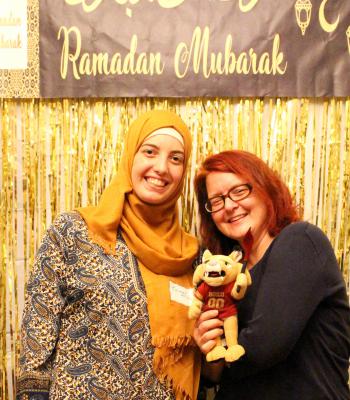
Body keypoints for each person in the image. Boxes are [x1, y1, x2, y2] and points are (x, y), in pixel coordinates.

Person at [16, 110, 201, 400]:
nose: (162, 167)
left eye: (175, 158)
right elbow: (38, 329)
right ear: (130, 156)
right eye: (149, 152)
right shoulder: (74, 231)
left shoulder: (191, 256)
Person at [193, 150, 350, 400]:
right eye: (217, 200)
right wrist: (207, 349)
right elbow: (214, 375)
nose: (230, 206)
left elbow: (265, 346)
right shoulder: (228, 277)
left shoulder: (300, 241)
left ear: (265, 187)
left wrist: (218, 360)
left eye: (239, 191)